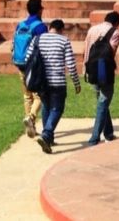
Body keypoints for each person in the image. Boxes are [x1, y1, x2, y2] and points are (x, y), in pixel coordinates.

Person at [23, 19, 81, 154]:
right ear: (61, 30)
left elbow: (27, 59)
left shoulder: (37, 39)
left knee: (47, 107)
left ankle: (49, 140)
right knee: (57, 109)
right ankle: (47, 134)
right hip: (58, 82)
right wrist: (76, 83)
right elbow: (71, 65)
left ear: (49, 27)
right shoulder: (64, 41)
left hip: (41, 82)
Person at [83, 11, 119, 146]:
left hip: (92, 69)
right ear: (117, 23)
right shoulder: (116, 33)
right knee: (103, 102)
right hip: (104, 71)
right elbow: (110, 54)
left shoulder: (92, 29)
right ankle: (94, 137)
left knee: (102, 101)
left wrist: (85, 70)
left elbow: (87, 50)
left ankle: (109, 132)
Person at [12, 0, 48, 138]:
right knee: (39, 96)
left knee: (27, 95)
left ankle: (30, 127)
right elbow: (43, 46)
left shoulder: (20, 25)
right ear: (39, 10)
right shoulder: (40, 26)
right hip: (33, 65)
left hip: (20, 63)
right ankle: (31, 118)